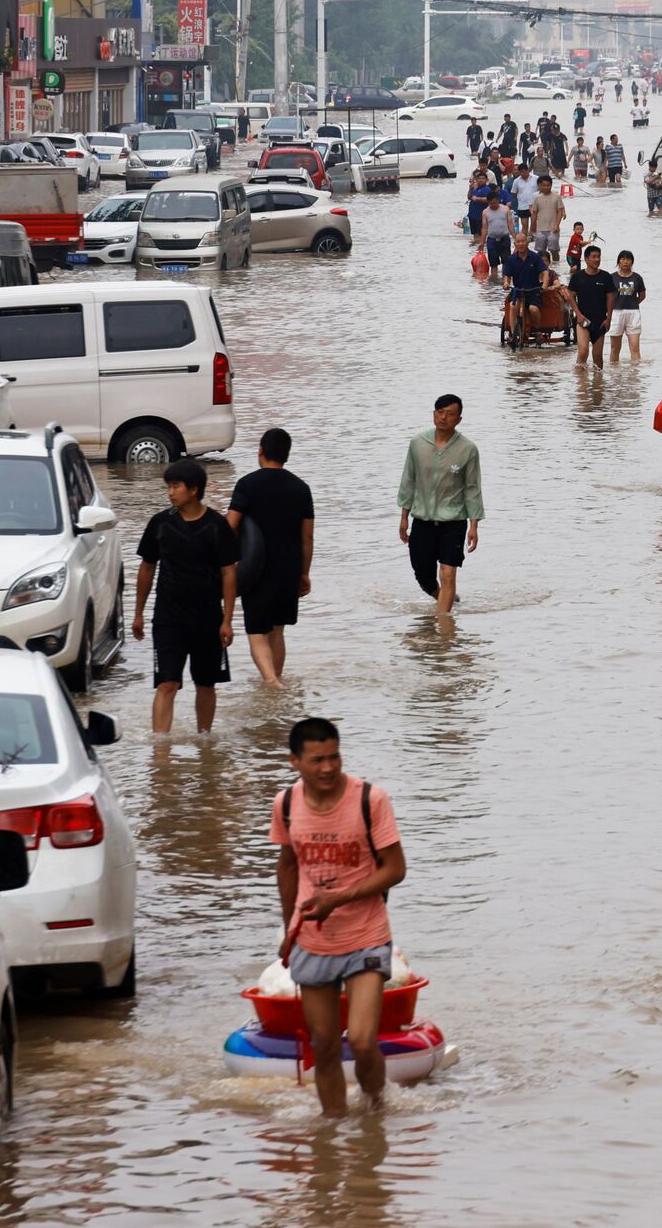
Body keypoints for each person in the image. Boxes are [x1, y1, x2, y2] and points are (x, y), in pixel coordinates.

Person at [273, 717, 408, 1116]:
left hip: (366, 934)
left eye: (334, 757)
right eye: (317, 760)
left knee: (364, 1040)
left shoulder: (370, 799)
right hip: (313, 941)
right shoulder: (285, 805)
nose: (328, 768)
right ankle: (332, 1132)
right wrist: (288, 929)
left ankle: (375, 1111)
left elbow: (395, 868)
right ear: (294, 761)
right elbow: (287, 867)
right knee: (325, 1045)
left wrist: (340, 898)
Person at [133, 458, 236, 732]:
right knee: (167, 683)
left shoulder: (217, 526)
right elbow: (146, 568)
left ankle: (205, 743)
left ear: (194, 489)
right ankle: (160, 751)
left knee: (206, 683)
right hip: (168, 618)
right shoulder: (160, 524)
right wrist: (138, 613)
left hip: (208, 619)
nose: (170, 492)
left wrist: (227, 620)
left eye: (175, 486)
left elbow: (229, 574)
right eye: (168, 486)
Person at [225, 428, 314, 688]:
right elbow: (307, 537)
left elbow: (231, 524)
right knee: (277, 629)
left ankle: (271, 681)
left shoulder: (247, 484)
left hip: (256, 569)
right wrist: (304, 573)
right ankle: (277, 679)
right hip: (289, 568)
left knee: (256, 631)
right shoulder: (301, 488)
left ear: (260, 450)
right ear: (286, 455)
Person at [397, 394, 484, 615]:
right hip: (422, 520)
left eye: (450, 414)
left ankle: (444, 629)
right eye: (439, 412)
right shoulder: (418, 444)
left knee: (447, 573)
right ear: (433, 414)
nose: (443, 417)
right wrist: (403, 517)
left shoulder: (468, 449)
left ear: (459, 419)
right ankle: (444, 600)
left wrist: (474, 525)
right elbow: (408, 480)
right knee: (424, 576)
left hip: (453, 521)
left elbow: (473, 488)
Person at [567, 244, 616, 370]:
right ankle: (581, 384)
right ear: (586, 259)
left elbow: (610, 298)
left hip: (600, 321)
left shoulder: (606, 277)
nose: (596, 260)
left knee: (597, 355)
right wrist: (577, 314)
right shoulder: (578, 276)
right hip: (583, 320)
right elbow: (570, 296)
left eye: (598, 257)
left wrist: (609, 319)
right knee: (583, 351)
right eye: (593, 257)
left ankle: (597, 385)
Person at [608, 249, 646, 363]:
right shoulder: (611, 277)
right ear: (618, 261)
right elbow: (607, 296)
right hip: (616, 313)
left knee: (635, 348)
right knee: (615, 348)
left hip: (633, 313)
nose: (625, 262)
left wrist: (632, 302)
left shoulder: (637, 277)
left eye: (628, 259)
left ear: (632, 262)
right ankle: (615, 375)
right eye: (623, 259)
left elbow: (642, 295)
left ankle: (634, 376)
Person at [478, 189, 516, 277]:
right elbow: (484, 228)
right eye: (491, 203)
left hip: (504, 239)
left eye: (495, 203)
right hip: (492, 240)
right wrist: (482, 242)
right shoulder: (485, 212)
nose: (493, 205)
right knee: (493, 264)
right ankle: (494, 281)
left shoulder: (505, 209)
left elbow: (510, 224)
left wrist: (515, 238)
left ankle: (504, 281)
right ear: (488, 202)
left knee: (506, 262)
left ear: (498, 200)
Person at [529, 174, 565, 262]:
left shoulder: (557, 197)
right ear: (539, 186)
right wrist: (532, 228)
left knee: (554, 250)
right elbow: (534, 214)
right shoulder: (537, 198)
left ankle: (556, 266)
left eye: (548, 185)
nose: (546, 187)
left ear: (551, 185)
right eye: (543, 185)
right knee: (540, 252)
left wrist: (557, 225)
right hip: (540, 229)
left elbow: (560, 212)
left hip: (553, 229)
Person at [509, 162, 539, 235]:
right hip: (522, 206)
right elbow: (513, 193)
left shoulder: (536, 178)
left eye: (524, 171)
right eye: (521, 172)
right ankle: (524, 240)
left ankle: (533, 240)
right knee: (524, 225)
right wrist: (521, 198)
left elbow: (540, 190)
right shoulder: (516, 181)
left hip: (534, 205)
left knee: (534, 225)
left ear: (527, 170)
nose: (522, 173)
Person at [467, 169, 496, 240]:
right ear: (476, 179)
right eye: (479, 178)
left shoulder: (487, 189)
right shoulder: (475, 189)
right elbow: (469, 197)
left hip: (481, 217)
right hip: (472, 215)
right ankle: (474, 250)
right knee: (475, 235)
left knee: (482, 235)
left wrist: (478, 199)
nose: (481, 180)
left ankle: (482, 249)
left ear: (487, 180)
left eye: (483, 178)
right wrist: (470, 189)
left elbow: (489, 199)